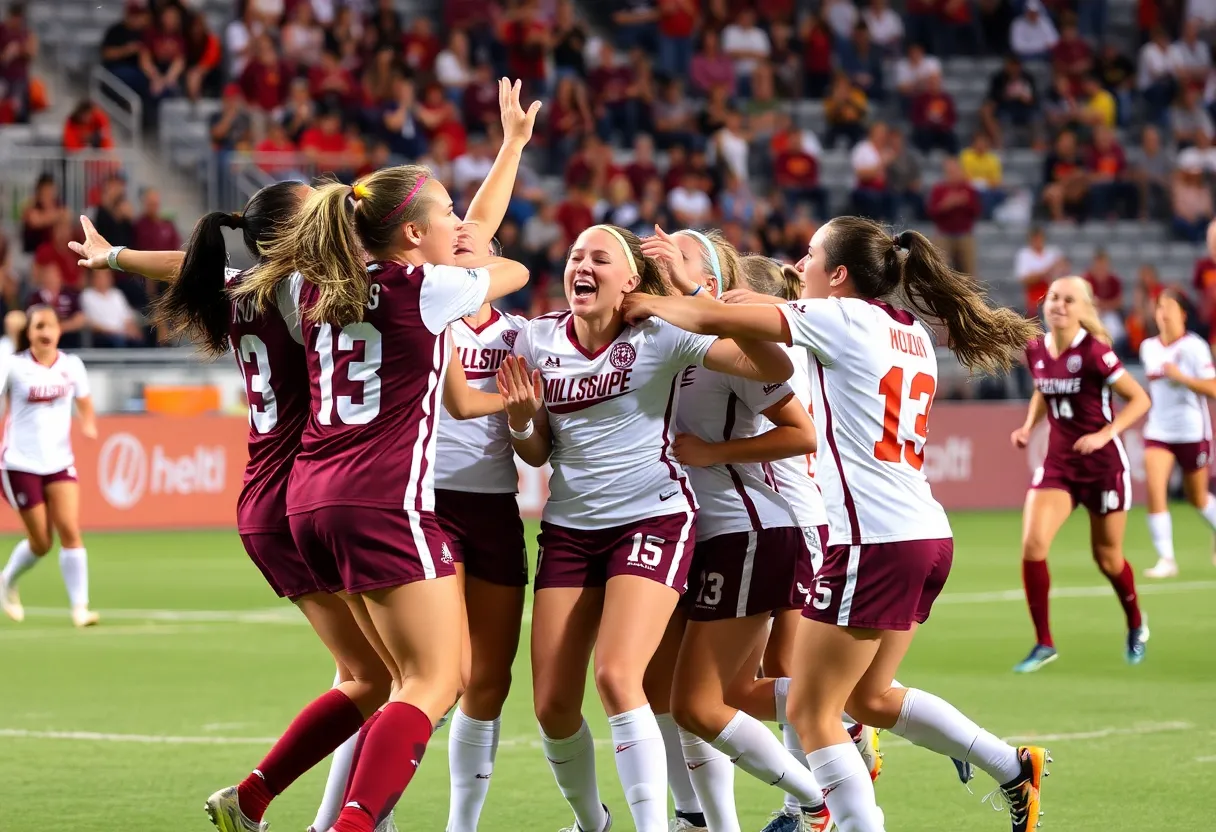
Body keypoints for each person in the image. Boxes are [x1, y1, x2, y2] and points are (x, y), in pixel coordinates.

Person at [620, 216, 1050, 832]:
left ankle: (845, 820)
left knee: (810, 709)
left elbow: (720, 322)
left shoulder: (843, 320)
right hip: (924, 533)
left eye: (812, 255)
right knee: (866, 700)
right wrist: (714, 293)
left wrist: (668, 294)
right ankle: (1012, 767)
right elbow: (759, 327)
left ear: (839, 274)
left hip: (869, 540)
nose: (800, 265)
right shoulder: (908, 333)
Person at [68, 184, 412, 832]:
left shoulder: (244, 286)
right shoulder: (296, 289)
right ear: (292, 235)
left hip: (264, 500)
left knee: (363, 674)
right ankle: (283, 805)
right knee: (389, 678)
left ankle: (341, 817)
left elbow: (185, 264)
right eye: (315, 208)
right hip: (299, 497)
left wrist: (116, 256)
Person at [235, 159, 531, 832]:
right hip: (381, 501)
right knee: (433, 681)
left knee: (385, 678)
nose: (460, 224)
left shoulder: (309, 288)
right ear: (410, 235)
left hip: (308, 502)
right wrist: (474, 258)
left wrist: (116, 258)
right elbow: (508, 272)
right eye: (448, 215)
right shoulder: (421, 289)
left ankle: (299, 807)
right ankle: (353, 824)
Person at [496, 223, 793, 832]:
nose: (582, 264)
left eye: (600, 257)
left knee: (617, 675)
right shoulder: (535, 338)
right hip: (571, 529)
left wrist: (697, 304)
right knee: (552, 706)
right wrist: (525, 423)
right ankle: (593, 823)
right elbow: (534, 452)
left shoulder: (661, 334)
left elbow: (773, 364)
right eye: (575, 255)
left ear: (629, 280)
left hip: (653, 516)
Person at [645, 235, 836, 832]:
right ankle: (701, 818)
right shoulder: (663, 337)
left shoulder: (729, 344)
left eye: (679, 250)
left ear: (710, 272)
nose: (661, 253)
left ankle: (817, 789)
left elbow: (801, 431)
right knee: (669, 689)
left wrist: (710, 452)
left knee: (713, 696)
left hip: (751, 525)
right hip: (690, 530)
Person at [1012, 276, 1152, 673]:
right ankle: (1044, 642)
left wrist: (1105, 434)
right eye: (1054, 297)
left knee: (1107, 559)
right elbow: (1043, 389)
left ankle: (1136, 624)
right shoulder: (1036, 349)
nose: (1058, 305)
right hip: (1059, 465)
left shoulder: (1095, 353)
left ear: (1083, 308)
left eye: (1068, 300)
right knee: (1032, 545)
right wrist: (1028, 427)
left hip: (1103, 468)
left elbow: (1140, 399)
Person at [0, 306, 99, 628]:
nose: (45, 332)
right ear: (29, 333)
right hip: (19, 463)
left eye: (51, 325)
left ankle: (80, 609)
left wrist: (88, 424)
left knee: (70, 530)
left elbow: (84, 401)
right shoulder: (13, 366)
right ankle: (6, 581)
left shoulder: (72, 365)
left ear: (59, 330)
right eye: (38, 326)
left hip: (59, 461)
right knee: (41, 542)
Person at [1139, 289, 1216, 578]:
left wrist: (1181, 377)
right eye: (1159, 306)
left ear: (1183, 313)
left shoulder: (1195, 347)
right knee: (1156, 490)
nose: (1163, 312)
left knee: (1197, 498)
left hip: (1192, 430)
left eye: (1169, 306)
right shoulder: (1149, 347)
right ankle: (1166, 559)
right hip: (1159, 429)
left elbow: (1212, 388)